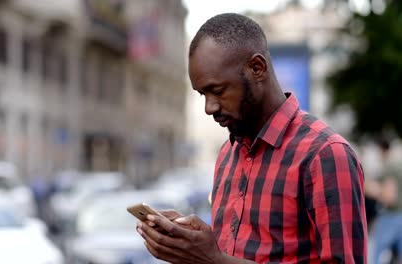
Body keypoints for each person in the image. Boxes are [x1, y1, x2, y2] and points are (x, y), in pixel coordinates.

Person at [135, 13, 367, 263]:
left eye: (218, 91)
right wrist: (193, 245)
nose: (209, 107)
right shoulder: (228, 153)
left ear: (257, 68)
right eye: (202, 94)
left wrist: (214, 260)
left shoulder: (325, 155)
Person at [368, 139, 402, 263]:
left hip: (391, 216)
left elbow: (389, 197)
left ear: (382, 150)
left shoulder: (390, 166)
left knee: (375, 253)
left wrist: (371, 189)